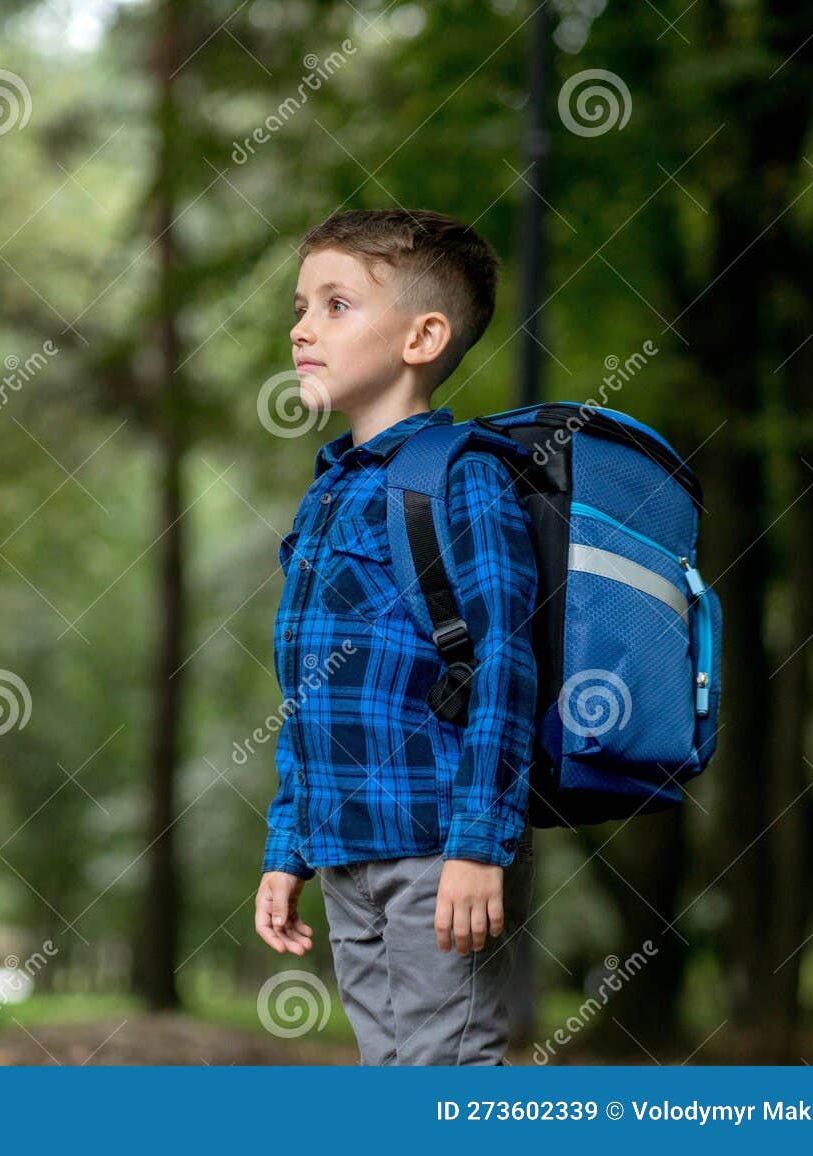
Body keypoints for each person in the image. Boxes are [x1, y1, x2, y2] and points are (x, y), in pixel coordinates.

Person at [254, 208, 537, 1065]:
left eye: (335, 305)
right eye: (300, 307)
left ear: (422, 337)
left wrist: (479, 846)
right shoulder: (329, 491)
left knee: (447, 1071)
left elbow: (503, 663)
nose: (303, 328)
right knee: (393, 1071)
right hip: (346, 848)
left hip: (436, 845)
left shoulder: (463, 474)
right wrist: (288, 847)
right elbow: (311, 695)